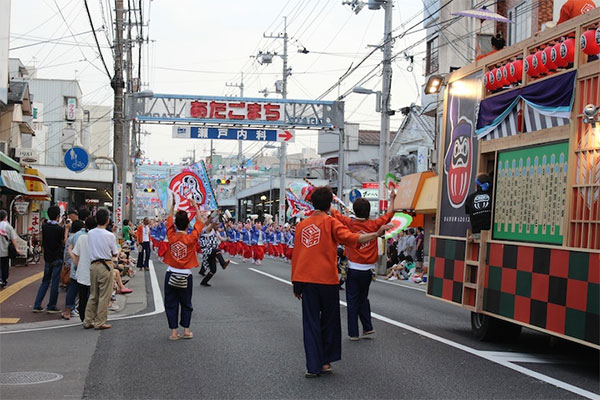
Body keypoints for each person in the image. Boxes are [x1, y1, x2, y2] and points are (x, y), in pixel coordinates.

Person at [291, 186, 390, 378]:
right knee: (329, 321)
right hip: (327, 280)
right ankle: (326, 361)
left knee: (310, 323)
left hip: (306, 279)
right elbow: (354, 239)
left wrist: (296, 282)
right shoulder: (331, 223)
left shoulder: (302, 225)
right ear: (329, 204)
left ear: (312, 203)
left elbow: (297, 254)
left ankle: (313, 366)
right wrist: (376, 234)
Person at [330, 191, 396, 341]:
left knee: (352, 300)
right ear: (368, 211)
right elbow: (390, 213)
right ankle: (367, 327)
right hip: (368, 270)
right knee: (363, 298)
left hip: (353, 268)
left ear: (354, 210)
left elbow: (335, 214)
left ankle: (354, 332)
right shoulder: (374, 224)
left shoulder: (350, 223)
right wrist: (392, 198)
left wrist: (330, 203)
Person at [162, 197, 204, 340]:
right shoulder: (191, 238)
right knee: (186, 303)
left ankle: (174, 332)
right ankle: (186, 330)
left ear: (176, 225)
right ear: (188, 225)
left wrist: (172, 206)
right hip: (186, 275)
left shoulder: (171, 236)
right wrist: (195, 206)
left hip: (171, 273)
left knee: (171, 303)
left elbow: (169, 222)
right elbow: (199, 223)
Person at [83, 208, 119, 330]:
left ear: (96, 219)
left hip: (93, 265)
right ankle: (100, 322)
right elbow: (115, 253)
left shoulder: (90, 233)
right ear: (107, 220)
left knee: (93, 294)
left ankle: (87, 320)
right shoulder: (110, 235)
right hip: (106, 265)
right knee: (104, 295)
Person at [33, 206, 66, 313]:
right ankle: (51, 305)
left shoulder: (45, 226)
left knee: (45, 281)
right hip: (57, 257)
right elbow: (63, 241)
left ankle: (37, 305)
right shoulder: (60, 229)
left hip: (47, 257)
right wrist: (67, 229)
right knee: (55, 282)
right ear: (58, 216)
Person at [71, 216, 97, 321]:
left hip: (82, 270)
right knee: (94, 296)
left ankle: (83, 317)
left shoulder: (82, 238)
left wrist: (76, 266)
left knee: (82, 296)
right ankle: (92, 317)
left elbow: (76, 255)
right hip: (95, 270)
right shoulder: (97, 238)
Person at [62, 220, 85, 320]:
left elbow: (67, 252)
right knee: (83, 290)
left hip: (72, 265)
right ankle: (77, 310)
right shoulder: (82, 237)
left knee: (72, 289)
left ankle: (68, 311)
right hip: (79, 266)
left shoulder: (71, 238)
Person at [199, 218, 230, 287]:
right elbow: (212, 224)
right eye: (217, 225)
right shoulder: (208, 230)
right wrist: (216, 215)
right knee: (217, 251)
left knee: (213, 270)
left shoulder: (216, 232)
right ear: (213, 225)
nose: (218, 226)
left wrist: (226, 239)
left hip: (212, 252)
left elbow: (222, 239)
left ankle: (204, 282)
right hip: (207, 250)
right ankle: (223, 264)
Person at [465, 173, 493, 242]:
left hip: (476, 235)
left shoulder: (470, 198)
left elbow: (469, 213)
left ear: (477, 184)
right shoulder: (493, 196)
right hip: (492, 234)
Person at [0, 210, 21, 288]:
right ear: (6, 217)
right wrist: (17, 248)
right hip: (5, 251)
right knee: (5, 266)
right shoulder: (8, 227)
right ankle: (3, 280)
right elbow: (13, 239)